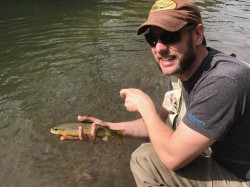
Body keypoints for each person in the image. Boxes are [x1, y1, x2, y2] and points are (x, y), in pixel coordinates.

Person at [61, 0, 250, 186]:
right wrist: (107, 127)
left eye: (170, 36)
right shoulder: (181, 72)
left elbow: (172, 157)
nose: (159, 48)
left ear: (198, 35)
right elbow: (160, 126)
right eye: (152, 39)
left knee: (146, 160)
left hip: (242, 176)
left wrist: (145, 106)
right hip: (220, 160)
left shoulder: (223, 81)